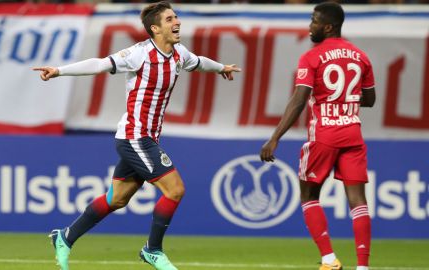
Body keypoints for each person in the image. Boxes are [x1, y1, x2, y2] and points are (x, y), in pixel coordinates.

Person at [33, 2, 241, 270]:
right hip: (135, 136)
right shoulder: (139, 53)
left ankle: (65, 237)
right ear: (155, 28)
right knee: (175, 189)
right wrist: (59, 70)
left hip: (148, 138)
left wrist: (221, 67)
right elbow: (99, 64)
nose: (176, 22)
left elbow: (199, 63)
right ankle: (152, 250)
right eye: (169, 19)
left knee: (117, 199)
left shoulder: (179, 53)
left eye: (176, 17)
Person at [260, 2, 375, 270]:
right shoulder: (361, 56)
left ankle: (329, 259)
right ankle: (363, 266)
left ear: (328, 26)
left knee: (309, 196)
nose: (309, 26)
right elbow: (369, 99)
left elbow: (299, 101)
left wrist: (275, 137)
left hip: (324, 134)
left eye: (313, 21)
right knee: (358, 200)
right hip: (353, 133)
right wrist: (345, 98)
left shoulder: (311, 57)